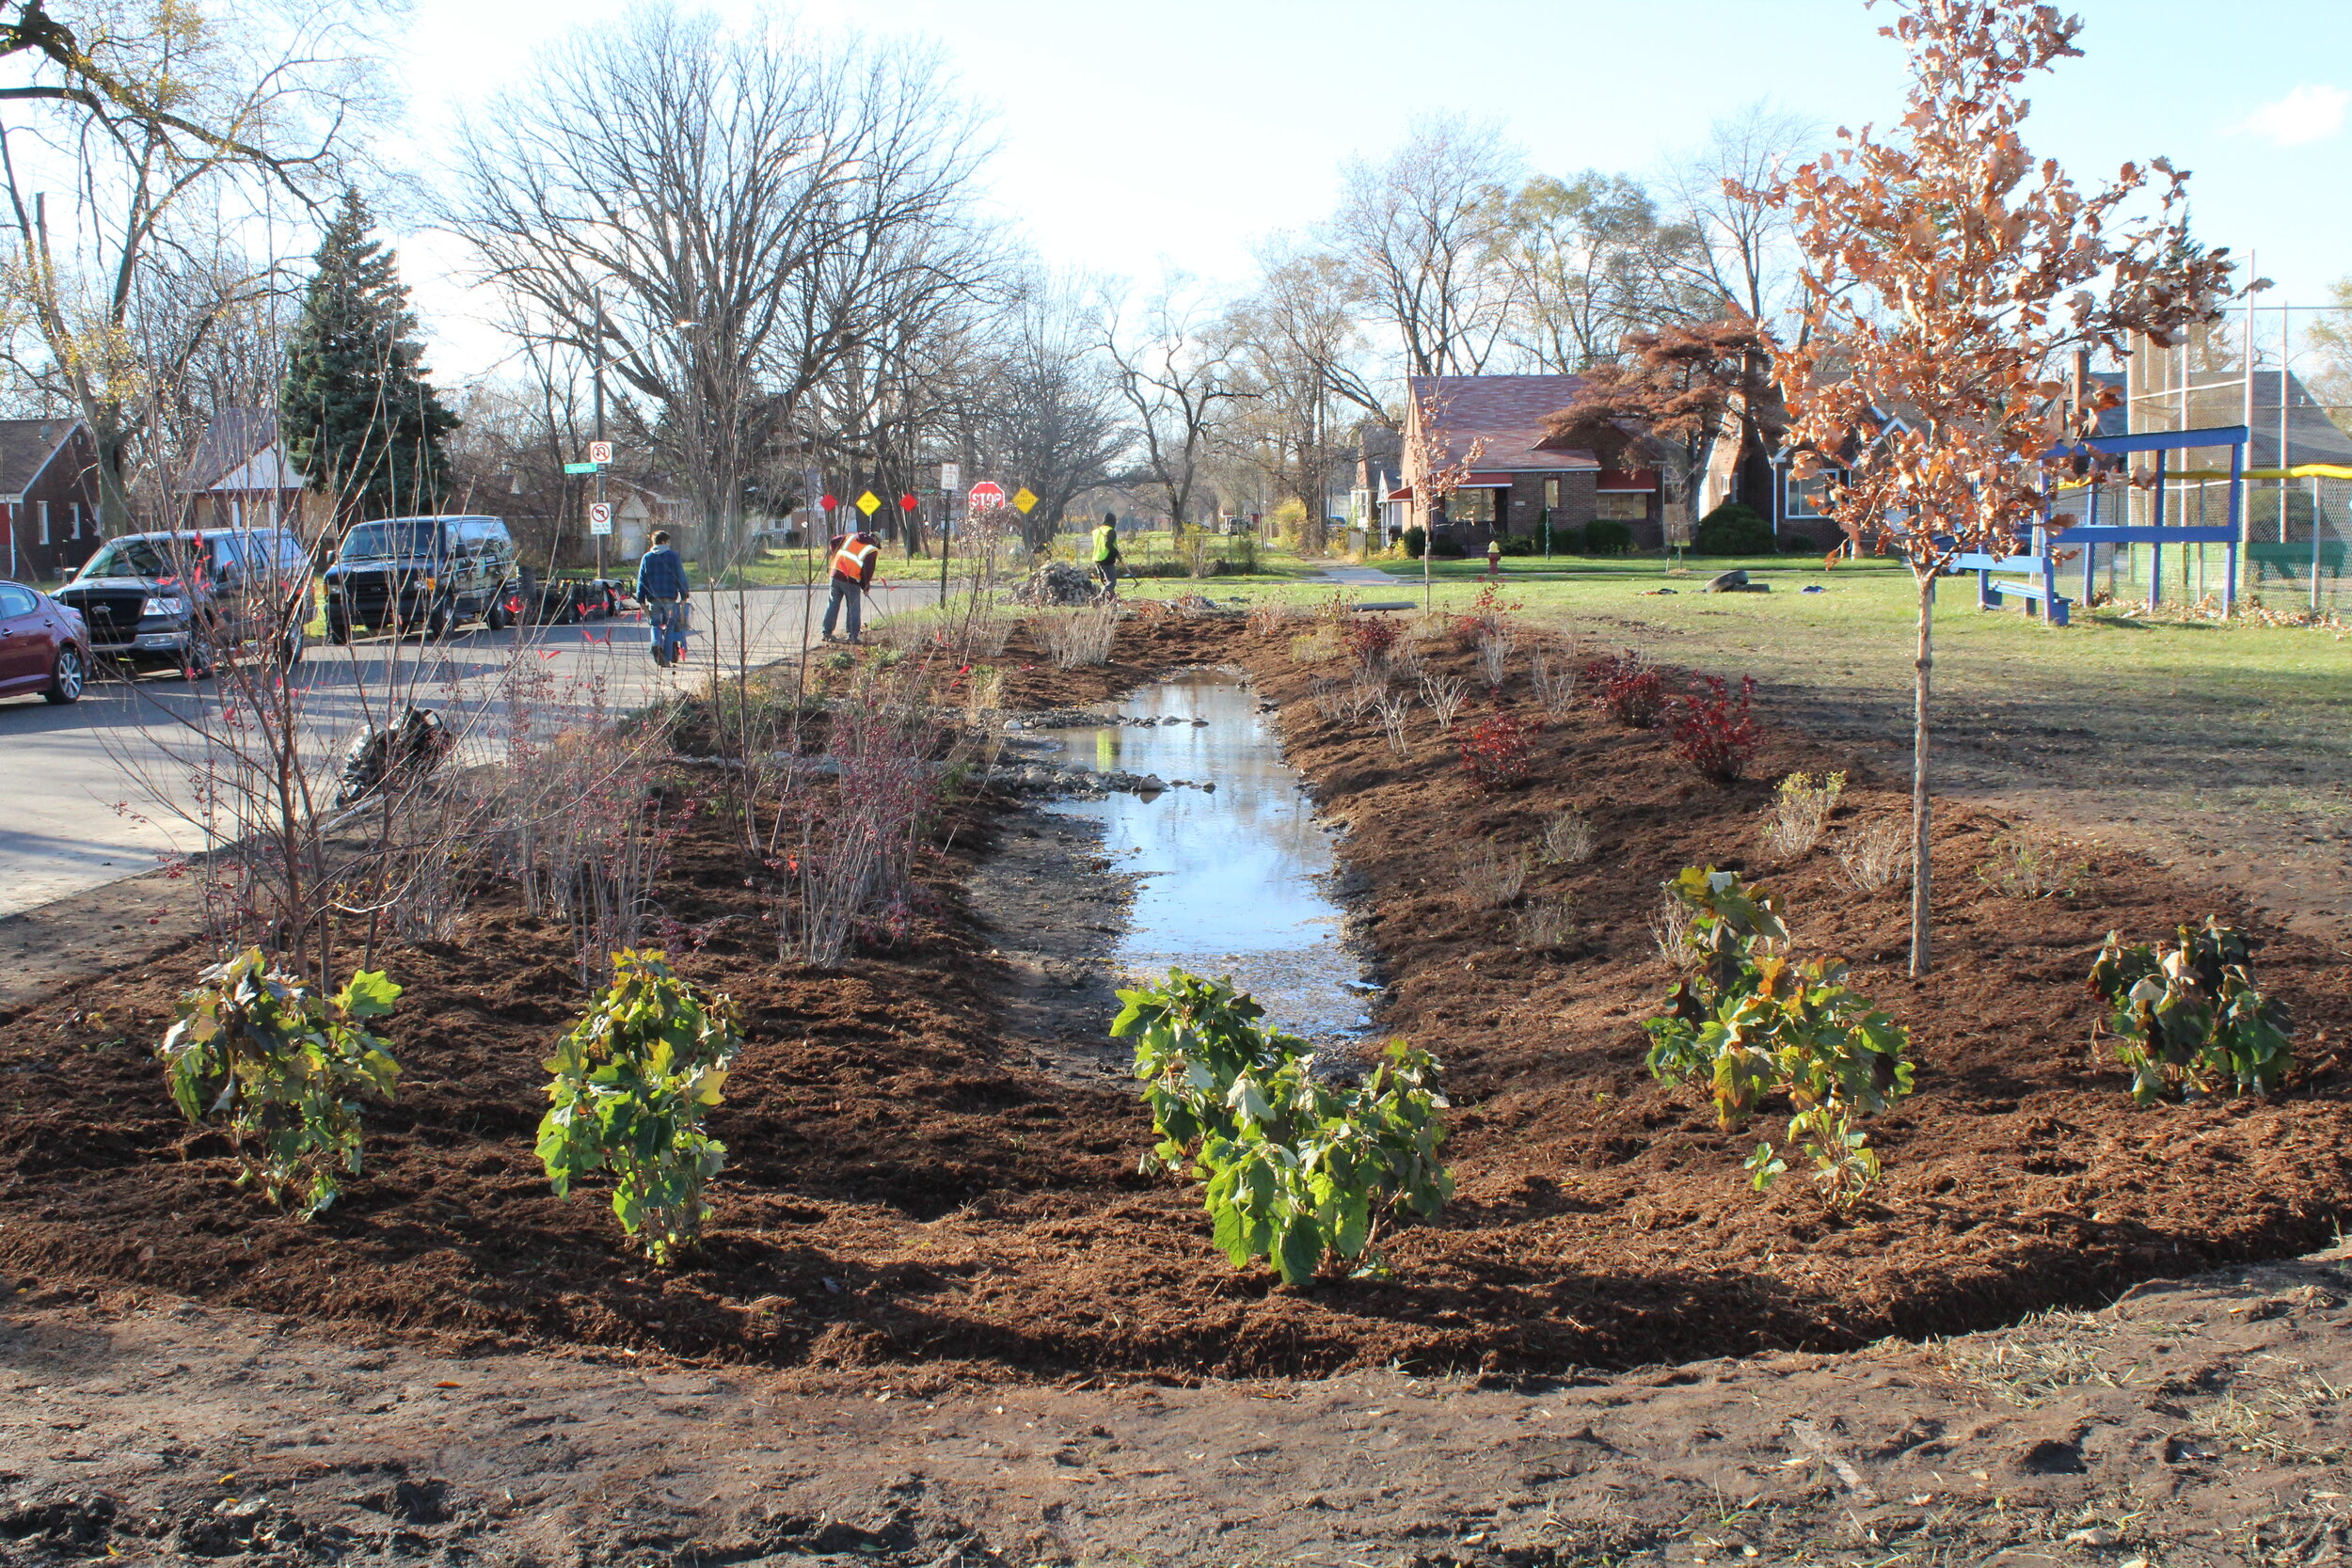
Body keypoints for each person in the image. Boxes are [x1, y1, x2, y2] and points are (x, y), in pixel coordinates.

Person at [635, 529, 690, 667]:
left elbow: (641, 579)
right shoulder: (673, 556)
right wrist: (684, 594)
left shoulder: (647, 558)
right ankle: (666, 658)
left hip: (653, 598)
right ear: (665, 542)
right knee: (670, 627)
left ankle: (655, 644)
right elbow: (680, 576)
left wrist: (640, 599)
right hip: (670, 597)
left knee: (655, 625)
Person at [823, 526, 879, 642]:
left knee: (833, 604)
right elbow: (867, 572)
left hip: (835, 573)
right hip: (851, 579)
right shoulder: (871, 550)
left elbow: (833, 542)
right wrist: (865, 586)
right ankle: (853, 636)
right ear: (876, 541)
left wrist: (836, 556)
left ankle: (826, 632)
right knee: (853, 608)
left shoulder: (850, 537)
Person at [1091, 512, 1121, 596]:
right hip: (1107, 560)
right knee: (1111, 583)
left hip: (1097, 559)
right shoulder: (1110, 531)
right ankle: (1098, 599)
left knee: (1106, 583)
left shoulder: (1097, 531)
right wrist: (1117, 553)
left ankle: (1112, 600)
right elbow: (1108, 544)